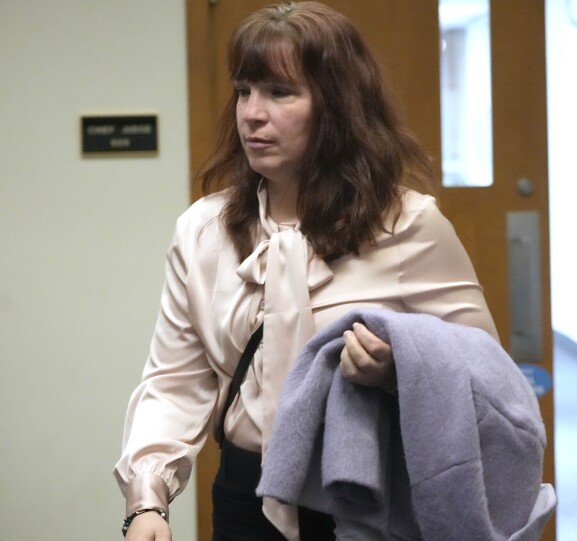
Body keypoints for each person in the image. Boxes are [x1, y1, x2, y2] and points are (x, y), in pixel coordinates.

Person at [114, 2, 499, 540]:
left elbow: (487, 380)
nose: (251, 112)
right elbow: (176, 381)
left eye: (280, 92)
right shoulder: (205, 231)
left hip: (369, 499)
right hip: (246, 495)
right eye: (244, 90)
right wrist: (147, 500)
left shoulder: (410, 226)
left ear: (337, 106)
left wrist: (401, 371)